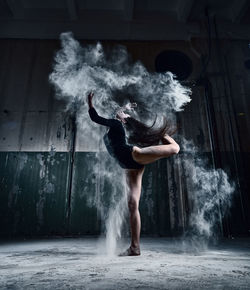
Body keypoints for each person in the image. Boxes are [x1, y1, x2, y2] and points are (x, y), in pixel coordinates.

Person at [87, 92, 180, 256]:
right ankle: (135, 248)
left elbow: (96, 118)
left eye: (122, 115)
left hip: (133, 155)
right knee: (132, 205)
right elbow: (118, 112)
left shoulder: (116, 124)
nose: (119, 114)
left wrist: (89, 102)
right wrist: (126, 108)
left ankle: (163, 135)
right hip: (128, 166)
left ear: (122, 120)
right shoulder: (115, 125)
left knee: (175, 149)